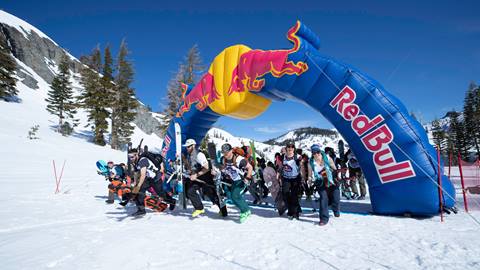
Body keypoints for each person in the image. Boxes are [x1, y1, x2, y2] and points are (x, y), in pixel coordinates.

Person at [184, 139, 227, 217]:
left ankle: (223, 211)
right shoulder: (190, 155)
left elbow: (206, 167)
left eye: (189, 146)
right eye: (186, 147)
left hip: (206, 177)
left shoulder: (199, 155)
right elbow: (192, 167)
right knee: (190, 191)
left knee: (212, 195)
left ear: (193, 146)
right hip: (198, 178)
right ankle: (199, 208)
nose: (187, 148)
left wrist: (196, 175)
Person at [128, 148, 175, 216]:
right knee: (139, 192)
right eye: (129, 157)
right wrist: (135, 184)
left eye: (132, 157)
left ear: (136, 155)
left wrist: (138, 186)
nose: (131, 158)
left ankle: (172, 201)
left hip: (155, 178)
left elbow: (143, 175)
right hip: (148, 178)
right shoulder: (135, 162)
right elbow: (136, 173)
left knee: (161, 194)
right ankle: (141, 210)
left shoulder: (142, 160)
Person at [220, 143, 253, 223]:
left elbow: (250, 167)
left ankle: (245, 211)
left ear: (231, 151)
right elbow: (224, 168)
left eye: (227, 152)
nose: (225, 154)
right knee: (232, 196)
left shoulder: (239, 159)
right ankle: (246, 209)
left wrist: (248, 178)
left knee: (235, 195)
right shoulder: (223, 159)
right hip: (234, 180)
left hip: (242, 179)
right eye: (224, 153)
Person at [307, 144, 337, 226]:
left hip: (331, 180)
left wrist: (334, 174)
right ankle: (324, 219)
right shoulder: (311, 162)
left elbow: (334, 168)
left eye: (318, 152)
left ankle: (335, 209)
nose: (316, 154)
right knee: (323, 198)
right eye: (314, 152)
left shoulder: (327, 157)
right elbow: (310, 174)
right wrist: (309, 180)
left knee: (335, 197)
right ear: (312, 153)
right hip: (320, 182)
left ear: (320, 151)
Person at [279, 141, 304, 220]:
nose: (290, 148)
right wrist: (278, 175)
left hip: (295, 179)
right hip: (286, 178)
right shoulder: (283, 157)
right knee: (285, 195)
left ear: (294, 149)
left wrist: (304, 177)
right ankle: (291, 210)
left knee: (294, 196)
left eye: (292, 147)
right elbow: (280, 167)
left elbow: (303, 167)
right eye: (288, 147)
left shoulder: (297, 157)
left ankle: (295, 212)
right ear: (286, 148)